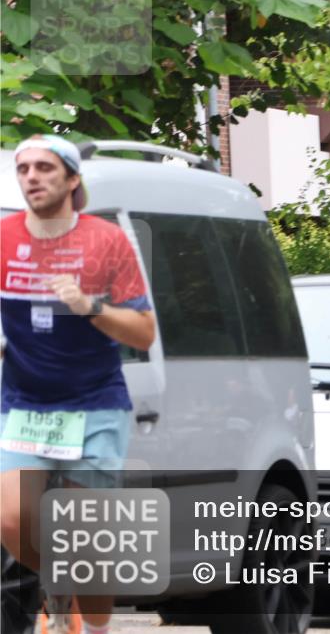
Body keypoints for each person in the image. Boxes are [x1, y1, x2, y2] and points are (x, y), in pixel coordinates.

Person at [0, 135, 156, 634]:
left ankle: (93, 628)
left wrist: (89, 306)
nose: (31, 177)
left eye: (44, 168)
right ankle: (58, 584)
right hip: (24, 403)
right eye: (24, 168)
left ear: (71, 179)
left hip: (94, 405)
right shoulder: (3, 238)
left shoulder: (106, 241)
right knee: (11, 520)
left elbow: (145, 331)